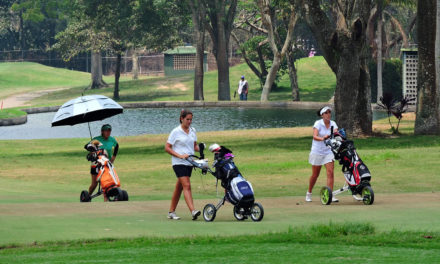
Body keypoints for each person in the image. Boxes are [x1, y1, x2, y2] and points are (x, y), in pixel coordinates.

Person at [165, 109, 201, 220]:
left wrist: (204, 148)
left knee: (179, 187)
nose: (189, 122)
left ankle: (171, 212)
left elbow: (194, 146)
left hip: (189, 163)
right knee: (187, 185)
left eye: (191, 119)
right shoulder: (176, 131)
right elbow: (167, 148)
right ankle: (193, 211)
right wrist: (179, 156)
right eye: (187, 119)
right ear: (182, 119)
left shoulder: (193, 130)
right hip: (178, 162)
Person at [306, 106, 339, 202]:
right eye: (326, 113)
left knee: (330, 172)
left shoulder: (333, 123)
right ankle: (309, 192)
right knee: (315, 175)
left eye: (329, 112)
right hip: (317, 151)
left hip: (328, 151)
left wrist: (336, 137)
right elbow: (315, 136)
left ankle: (330, 195)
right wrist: (323, 138)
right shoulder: (318, 123)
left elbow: (336, 134)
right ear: (322, 115)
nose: (328, 114)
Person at [87, 124, 119, 200]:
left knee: (106, 182)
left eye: (109, 130)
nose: (108, 132)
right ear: (102, 131)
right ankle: (87, 197)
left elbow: (117, 146)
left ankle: (106, 201)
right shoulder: (97, 140)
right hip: (96, 164)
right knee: (94, 184)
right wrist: (92, 152)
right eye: (106, 130)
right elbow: (88, 147)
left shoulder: (112, 139)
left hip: (107, 164)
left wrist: (113, 157)